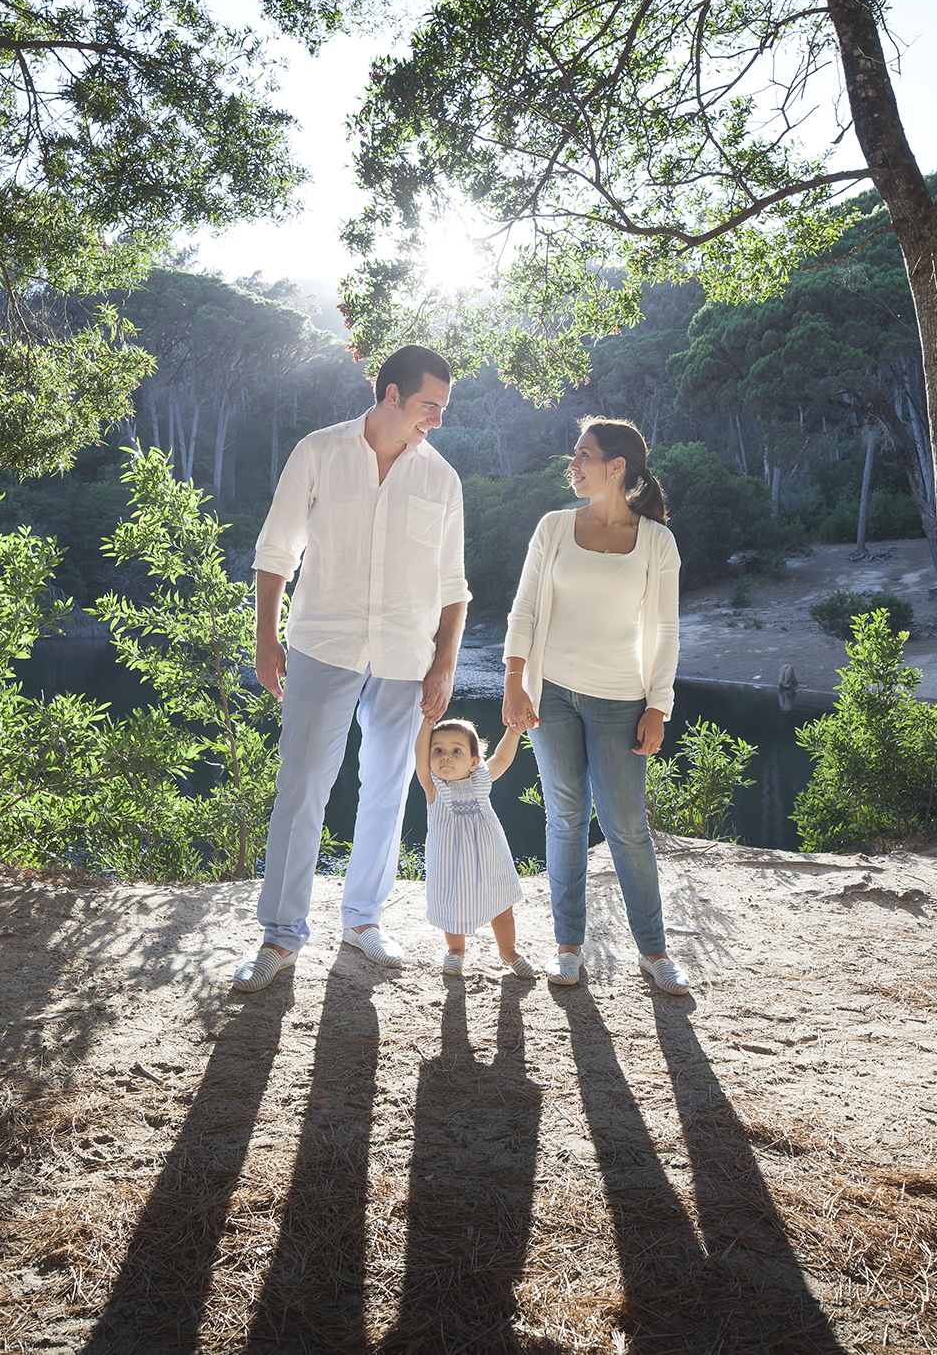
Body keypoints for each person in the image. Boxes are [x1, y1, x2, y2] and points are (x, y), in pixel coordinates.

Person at [233, 346, 470, 990]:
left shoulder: (441, 479)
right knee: (302, 787)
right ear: (391, 394)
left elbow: (454, 584)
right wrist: (265, 637)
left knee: (387, 789)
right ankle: (281, 937)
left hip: (405, 657)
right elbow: (276, 549)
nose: (437, 420)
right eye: (429, 406)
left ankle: (363, 920)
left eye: (442, 409)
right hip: (322, 645)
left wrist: (443, 665)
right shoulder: (318, 452)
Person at [502, 417, 689, 993]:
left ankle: (654, 953)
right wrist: (514, 679)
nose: (573, 465)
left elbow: (664, 628)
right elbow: (526, 606)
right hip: (550, 691)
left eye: (584, 455)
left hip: (621, 699)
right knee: (565, 819)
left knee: (627, 825)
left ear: (617, 467)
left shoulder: (656, 540)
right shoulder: (554, 527)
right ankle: (568, 946)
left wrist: (658, 704)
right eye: (574, 454)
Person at [415, 714, 536, 978]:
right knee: (452, 907)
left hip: (490, 859)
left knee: (502, 909)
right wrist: (428, 721)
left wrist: (513, 731)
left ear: (473, 762)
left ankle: (509, 951)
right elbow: (419, 750)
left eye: (456, 750)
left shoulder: (481, 780)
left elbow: (502, 758)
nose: (445, 756)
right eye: (438, 750)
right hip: (451, 865)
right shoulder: (433, 787)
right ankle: (456, 951)